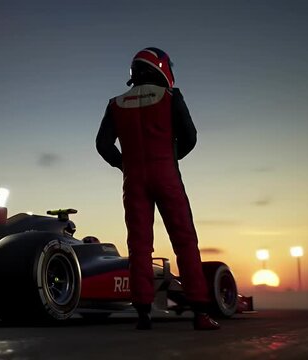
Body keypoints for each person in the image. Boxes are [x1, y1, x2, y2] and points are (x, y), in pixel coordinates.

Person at [95, 47, 220, 331]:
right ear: (161, 68)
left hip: (134, 180)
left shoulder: (115, 103)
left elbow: (103, 145)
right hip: (166, 174)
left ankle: (143, 314)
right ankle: (200, 313)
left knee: (139, 246)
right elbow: (190, 136)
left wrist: (123, 166)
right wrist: (171, 157)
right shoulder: (171, 97)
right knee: (184, 241)